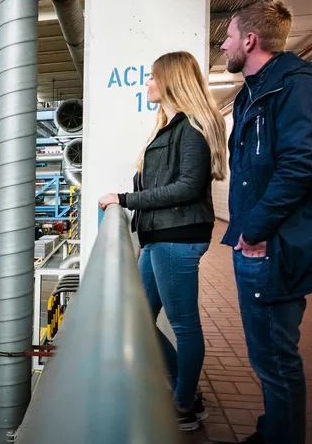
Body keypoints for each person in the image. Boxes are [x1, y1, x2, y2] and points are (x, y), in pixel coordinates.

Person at [220, 0, 312, 444]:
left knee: (276, 359)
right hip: (255, 244)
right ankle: (272, 430)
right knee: (267, 356)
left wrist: (255, 231)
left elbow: (298, 166)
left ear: (250, 40)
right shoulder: (254, 92)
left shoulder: (296, 87)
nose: (223, 46)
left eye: (229, 36)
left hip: (272, 247)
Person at [99, 50, 227, 431]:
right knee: (138, 319)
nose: (147, 83)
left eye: (153, 77)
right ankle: (185, 393)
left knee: (184, 325)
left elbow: (187, 188)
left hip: (177, 236)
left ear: (171, 80)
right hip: (159, 235)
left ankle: (184, 404)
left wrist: (124, 200)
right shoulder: (172, 126)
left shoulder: (192, 127)